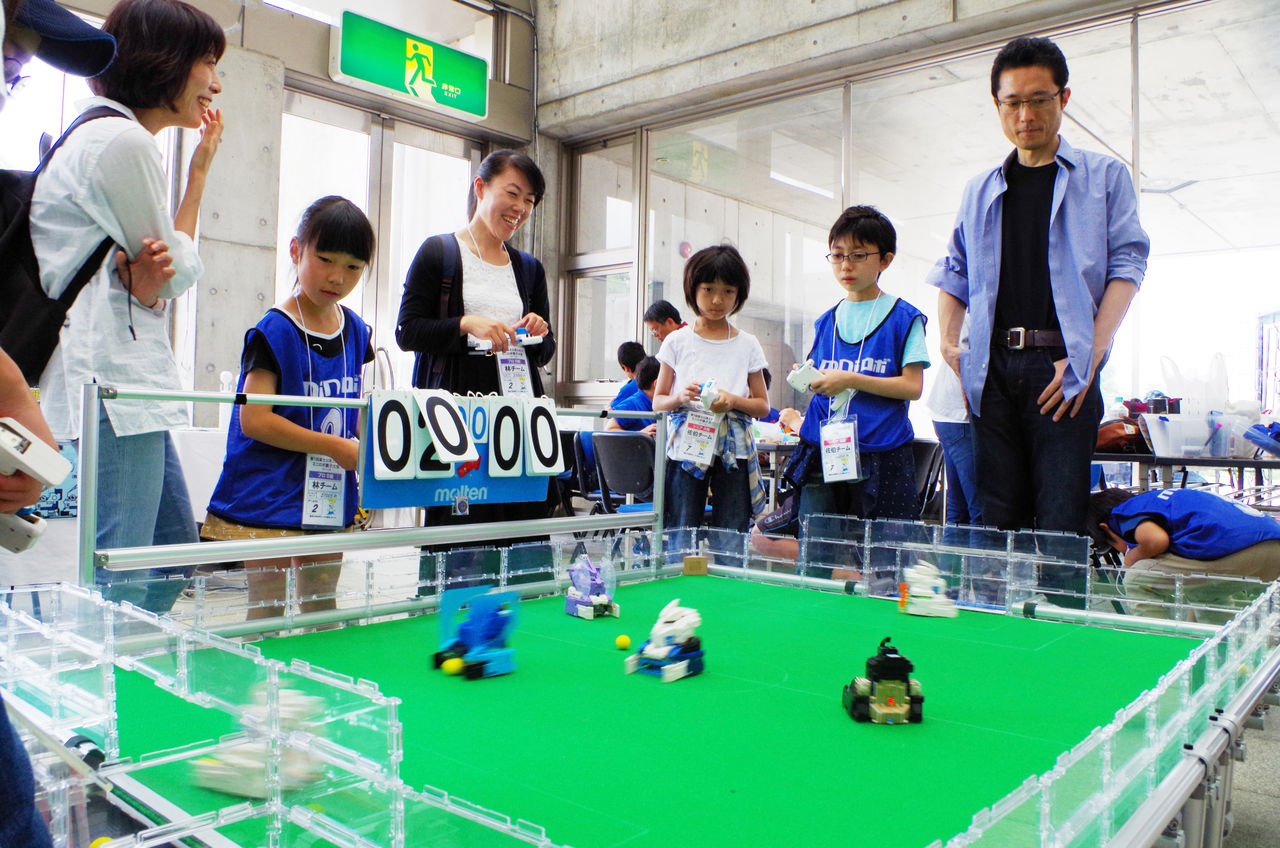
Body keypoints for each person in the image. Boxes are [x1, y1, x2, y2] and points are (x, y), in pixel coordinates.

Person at [29, 0, 225, 614]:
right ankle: (99, 674)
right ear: (165, 61)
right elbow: (176, 273)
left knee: (169, 557)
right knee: (120, 574)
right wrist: (156, 277)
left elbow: (162, 271)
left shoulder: (100, 134)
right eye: (207, 62)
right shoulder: (122, 141)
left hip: (124, 386)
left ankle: (127, 666)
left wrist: (198, 174)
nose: (215, 83)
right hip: (113, 385)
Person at [928, 36, 1149, 535]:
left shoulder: (1104, 177)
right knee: (997, 522)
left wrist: (1089, 354)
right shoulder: (980, 189)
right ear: (997, 105)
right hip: (991, 369)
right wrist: (949, 344)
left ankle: (1059, 591)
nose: (1025, 115)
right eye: (1012, 103)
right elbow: (955, 270)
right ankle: (1003, 592)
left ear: (1063, 98)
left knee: (1060, 522)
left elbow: (1128, 263)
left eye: (1038, 99)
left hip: (1062, 366)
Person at [203, 197, 374, 620]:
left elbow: (352, 406)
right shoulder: (274, 330)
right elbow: (254, 420)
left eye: (353, 267)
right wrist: (336, 447)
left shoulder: (355, 330)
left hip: (327, 489)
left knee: (322, 607)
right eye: (325, 259)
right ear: (296, 250)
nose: (337, 276)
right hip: (269, 491)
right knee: (268, 610)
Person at [395, 149, 555, 538]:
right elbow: (407, 331)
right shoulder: (439, 252)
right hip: (457, 420)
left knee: (520, 531)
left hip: (516, 421)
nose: (520, 208)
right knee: (458, 532)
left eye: (530, 201)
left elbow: (545, 353)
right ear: (480, 188)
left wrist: (538, 331)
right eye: (512, 193)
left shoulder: (529, 268)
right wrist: (466, 324)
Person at [786, 205, 928, 527]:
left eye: (858, 255)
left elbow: (912, 387)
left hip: (882, 448)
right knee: (818, 545)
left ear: (885, 260)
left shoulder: (904, 318)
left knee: (886, 546)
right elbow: (826, 378)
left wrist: (851, 379)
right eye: (837, 255)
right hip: (823, 446)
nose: (846, 265)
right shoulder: (827, 320)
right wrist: (811, 378)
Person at [652, 245, 769, 533]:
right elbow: (658, 402)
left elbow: (762, 406)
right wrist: (680, 397)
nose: (717, 299)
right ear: (693, 289)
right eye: (707, 289)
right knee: (681, 530)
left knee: (731, 533)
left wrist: (732, 401)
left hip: (734, 449)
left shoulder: (747, 343)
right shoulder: (676, 341)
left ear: (739, 294)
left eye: (728, 291)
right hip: (687, 445)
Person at [1087, 488, 1280, 621]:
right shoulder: (1157, 501)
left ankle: (1159, 647)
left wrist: (1133, 555)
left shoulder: (1122, 514)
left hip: (1243, 548)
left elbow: (1156, 541)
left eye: (1113, 546)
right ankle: (1219, 643)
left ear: (1105, 528)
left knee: (1137, 578)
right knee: (1202, 589)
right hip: (1272, 545)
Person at [927, 318, 981, 526]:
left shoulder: (963, 309)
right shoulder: (975, 310)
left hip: (948, 414)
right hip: (962, 416)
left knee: (959, 511)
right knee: (979, 513)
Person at [606, 355, 658, 435]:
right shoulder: (632, 404)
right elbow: (609, 430)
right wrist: (640, 434)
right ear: (657, 383)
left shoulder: (663, 406)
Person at [610, 340, 646, 408]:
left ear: (626, 368)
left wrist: (608, 407)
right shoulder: (653, 383)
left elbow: (611, 411)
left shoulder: (628, 389)